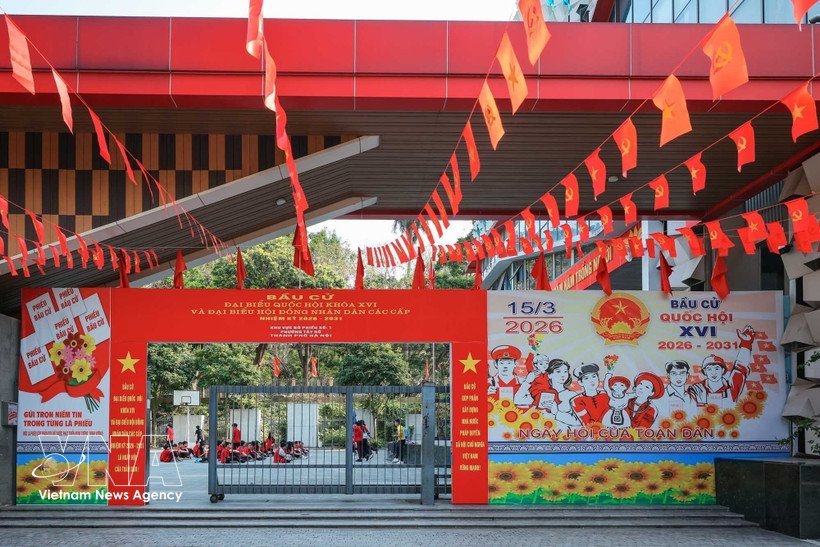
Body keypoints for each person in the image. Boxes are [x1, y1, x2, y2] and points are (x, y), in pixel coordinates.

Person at [689, 326, 754, 410]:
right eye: (709, 369)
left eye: (717, 368)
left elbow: (741, 367)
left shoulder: (731, 387)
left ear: (723, 370)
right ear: (704, 372)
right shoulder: (697, 389)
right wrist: (701, 403)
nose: (713, 373)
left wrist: (746, 344)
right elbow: (689, 413)